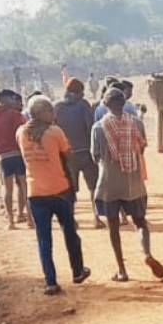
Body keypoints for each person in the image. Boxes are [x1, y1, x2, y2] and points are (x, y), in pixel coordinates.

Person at [17, 95, 90, 295]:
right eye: (50, 110)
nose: (53, 113)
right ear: (41, 113)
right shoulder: (55, 132)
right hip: (59, 190)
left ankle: (51, 281)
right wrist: (72, 182)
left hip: (35, 193)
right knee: (70, 233)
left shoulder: (21, 133)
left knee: (44, 240)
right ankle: (77, 271)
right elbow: (69, 156)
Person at [92, 87, 163, 282]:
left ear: (106, 105)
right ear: (124, 103)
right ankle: (147, 254)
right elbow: (141, 148)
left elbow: (96, 155)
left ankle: (122, 270)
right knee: (141, 222)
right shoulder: (136, 123)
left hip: (109, 183)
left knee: (114, 227)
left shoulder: (99, 127)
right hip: (133, 183)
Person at [55, 78, 103, 228]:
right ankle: (96, 218)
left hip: (67, 155)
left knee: (69, 190)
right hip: (85, 153)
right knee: (93, 187)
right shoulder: (83, 105)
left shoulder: (57, 107)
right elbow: (91, 127)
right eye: (82, 91)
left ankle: (72, 220)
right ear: (78, 91)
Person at [0, 90, 29, 229]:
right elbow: (26, 131)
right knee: (24, 186)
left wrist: (0, 151)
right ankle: (27, 217)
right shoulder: (15, 115)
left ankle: (10, 221)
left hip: (4, 157)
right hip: (19, 154)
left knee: (7, 188)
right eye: (12, 98)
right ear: (5, 99)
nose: (14, 101)